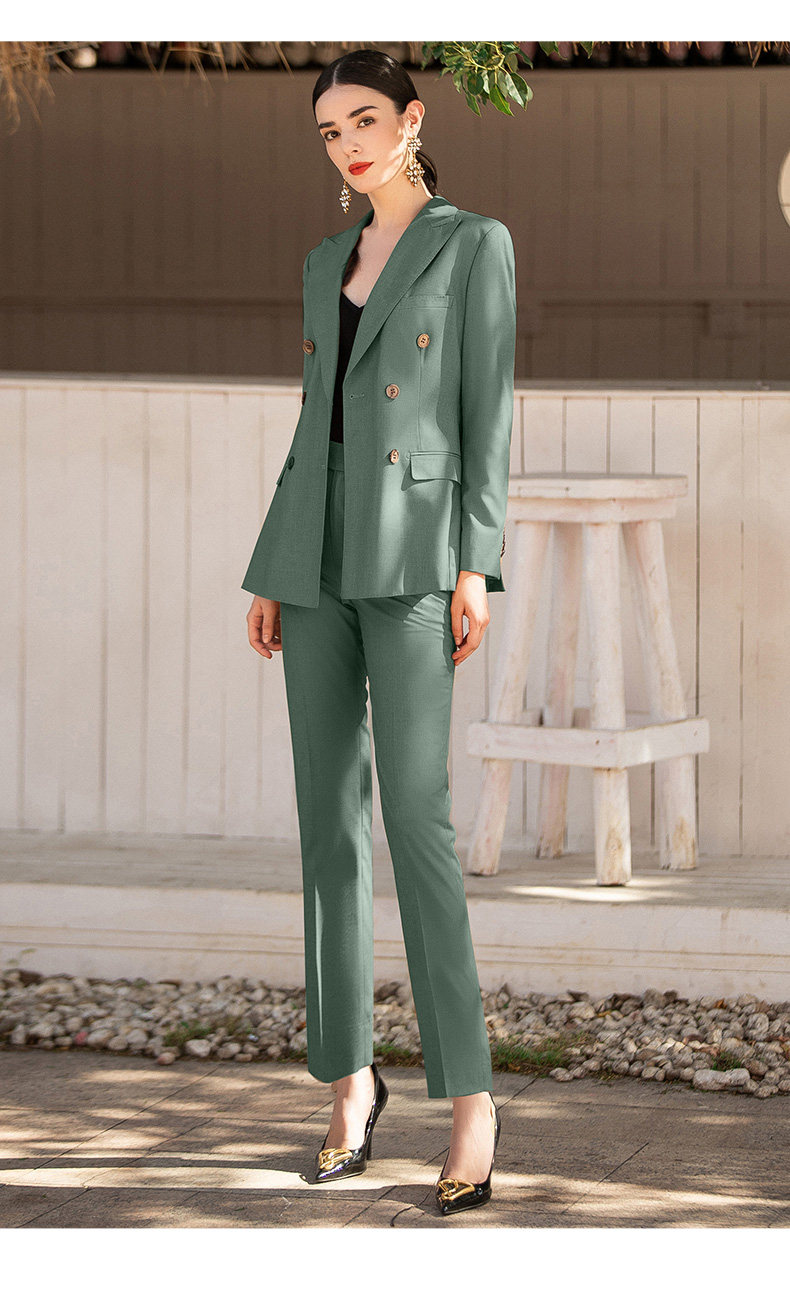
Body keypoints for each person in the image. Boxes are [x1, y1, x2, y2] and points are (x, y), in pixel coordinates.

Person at [241, 47, 515, 1216]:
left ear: (411, 119)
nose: (348, 143)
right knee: (328, 825)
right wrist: (271, 563)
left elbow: (487, 411)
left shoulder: (472, 244)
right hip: (311, 553)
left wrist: (475, 562)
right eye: (329, 131)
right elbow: (316, 421)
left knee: (417, 816)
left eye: (364, 120)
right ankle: (349, 1083)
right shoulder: (323, 260)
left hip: (413, 551)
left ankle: (471, 1100)